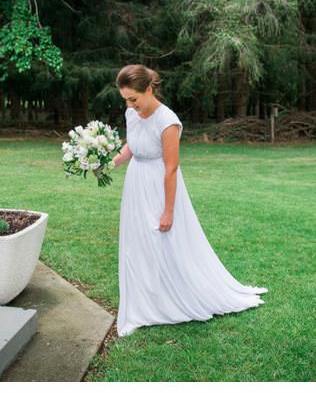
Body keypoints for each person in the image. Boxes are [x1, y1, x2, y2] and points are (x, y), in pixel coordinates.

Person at [107, 64, 266, 336]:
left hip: (160, 184)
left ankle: (169, 296)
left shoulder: (167, 121)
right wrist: (113, 161)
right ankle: (144, 297)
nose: (131, 105)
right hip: (136, 184)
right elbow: (132, 144)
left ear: (148, 89)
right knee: (139, 242)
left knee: (162, 238)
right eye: (126, 100)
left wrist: (169, 211)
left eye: (134, 98)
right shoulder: (131, 113)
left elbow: (171, 168)